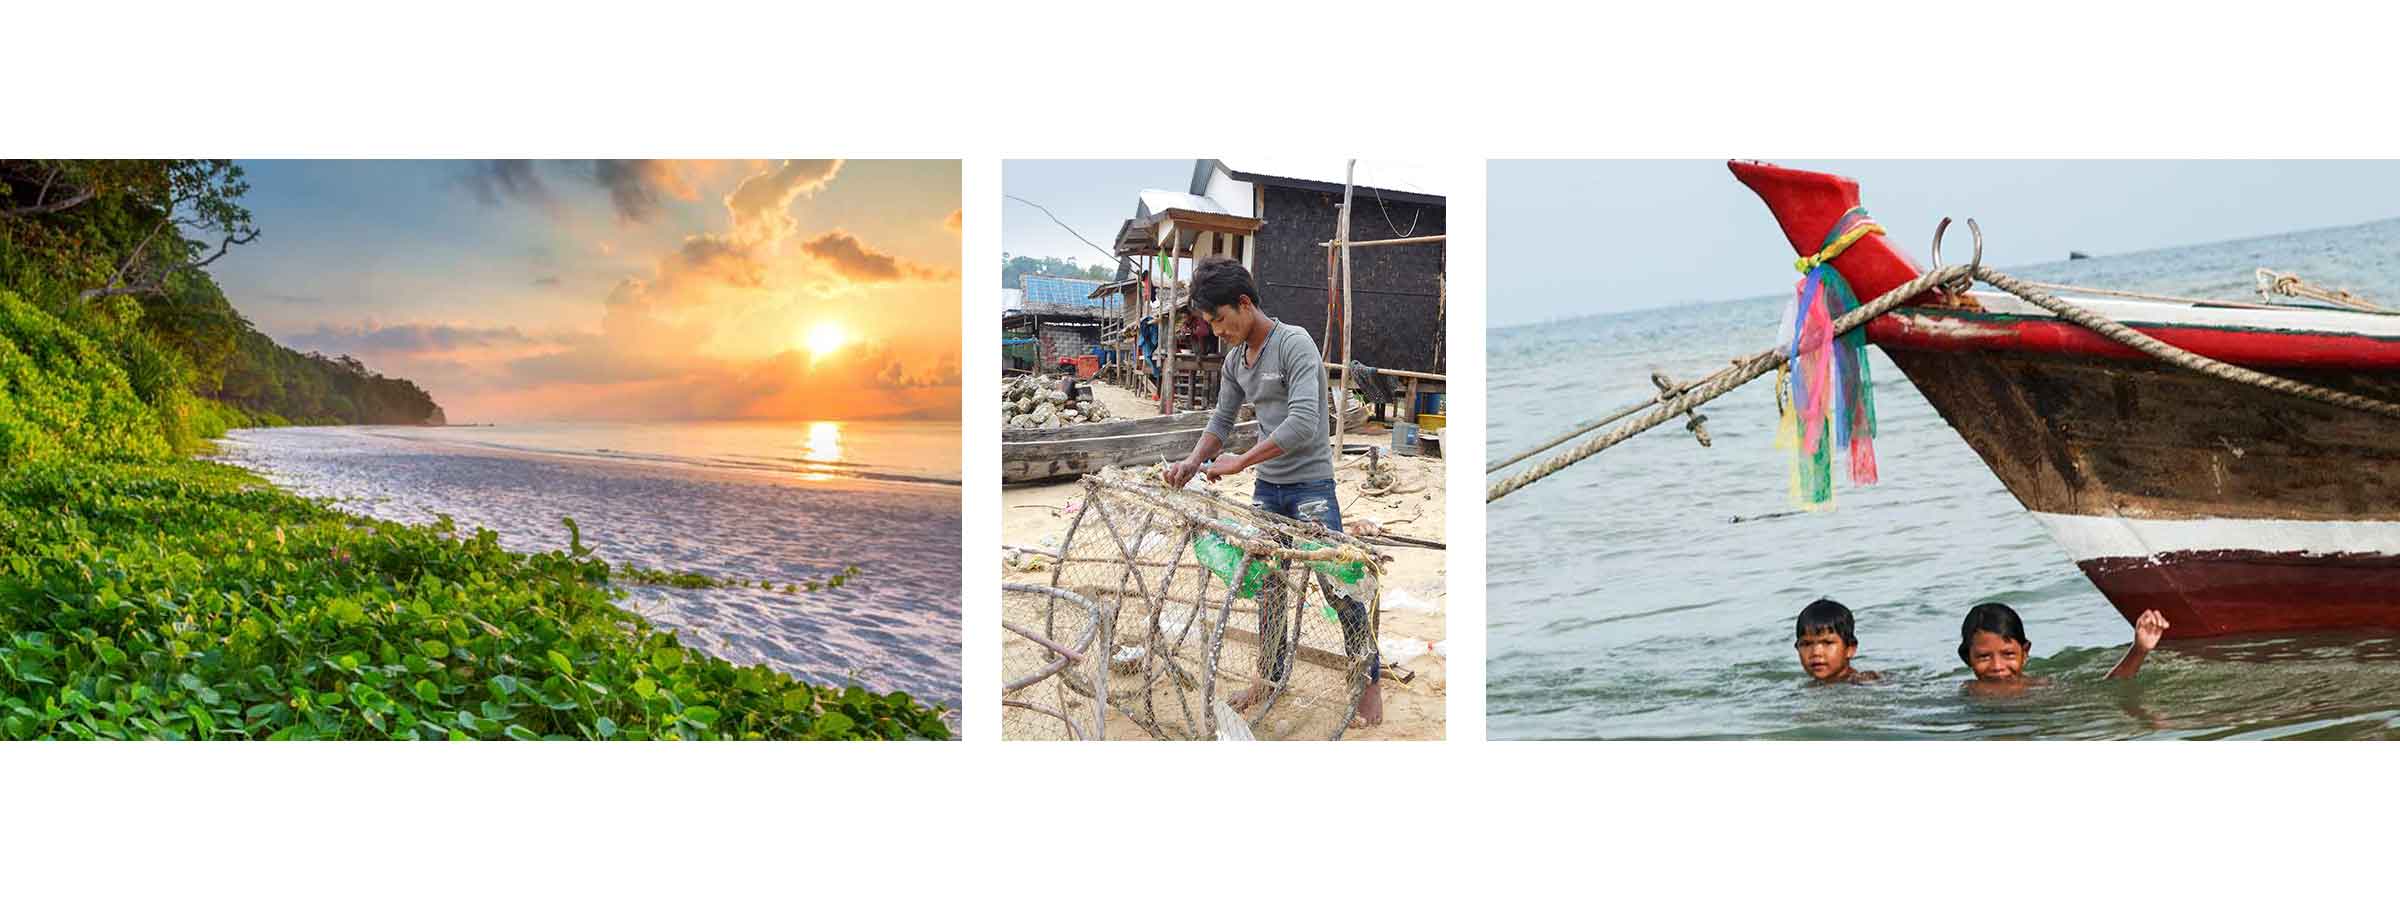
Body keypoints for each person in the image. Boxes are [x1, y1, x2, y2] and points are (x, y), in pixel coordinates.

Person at [1163, 256, 1381, 727]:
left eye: (1220, 320)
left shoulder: (1294, 344)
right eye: (1210, 324)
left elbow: (1303, 423)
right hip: (1269, 491)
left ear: (1244, 303)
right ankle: (1269, 677)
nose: (1217, 331)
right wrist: (1193, 460)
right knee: (1269, 591)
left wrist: (1239, 461)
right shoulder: (1235, 361)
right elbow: (1221, 421)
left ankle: (1369, 685)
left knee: (1338, 587)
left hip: (1311, 489)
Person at [1957, 602, 2170, 696]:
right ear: (1967, 658)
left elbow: (2104, 690)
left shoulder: (2042, 686)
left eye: (2008, 654)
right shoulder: (1971, 691)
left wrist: (2139, 649)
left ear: (2025, 651)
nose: (1997, 666)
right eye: (1984, 657)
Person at [1793, 598, 1880, 684]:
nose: (1816, 652)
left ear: (1850, 648)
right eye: (1806, 644)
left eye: (1827, 643)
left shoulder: (1864, 682)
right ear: (1797, 648)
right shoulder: (1810, 686)